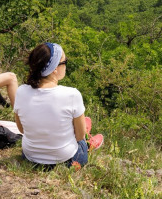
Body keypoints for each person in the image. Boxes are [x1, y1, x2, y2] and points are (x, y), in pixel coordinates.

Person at [13, 42, 103, 170]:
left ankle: (82, 128)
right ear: (55, 68)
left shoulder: (21, 91)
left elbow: (22, 129)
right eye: (65, 62)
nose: (66, 65)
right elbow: (79, 137)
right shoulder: (72, 94)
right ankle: (88, 143)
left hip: (30, 157)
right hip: (65, 160)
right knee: (82, 139)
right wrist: (81, 134)